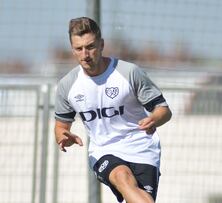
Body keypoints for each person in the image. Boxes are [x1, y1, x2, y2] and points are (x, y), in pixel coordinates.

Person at [54, 17, 172, 203]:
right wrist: (63, 136)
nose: (85, 54)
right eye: (79, 49)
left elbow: (164, 110)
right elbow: (60, 127)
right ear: (73, 50)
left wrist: (154, 119)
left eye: (90, 46)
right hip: (103, 150)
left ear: (101, 44)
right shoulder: (67, 86)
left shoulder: (129, 73)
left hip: (142, 149)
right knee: (122, 177)